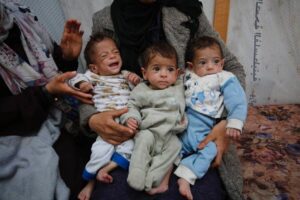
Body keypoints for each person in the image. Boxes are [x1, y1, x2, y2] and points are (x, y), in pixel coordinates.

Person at [79, 0, 245, 199]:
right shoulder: (104, 20)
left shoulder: (187, 10)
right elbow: (91, 78)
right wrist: (92, 118)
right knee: (112, 194)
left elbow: (232, 68)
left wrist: (225, 123)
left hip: (192, 129)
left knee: (201, 193)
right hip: (129, 131)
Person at [0, 1, 92, 200]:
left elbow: (52, 70)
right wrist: (44, 94)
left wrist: (67, 57)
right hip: (18, 134)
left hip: (60, 111)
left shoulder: (19, 14)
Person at [68, 33, 141, 200]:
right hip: (105, 123)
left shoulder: (125, 75)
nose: (112, 56)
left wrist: (137, 80)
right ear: (94, 67)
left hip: (126, 120)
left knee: (132, 147)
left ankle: (106, 170)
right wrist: (83, 84)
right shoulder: (92, 76)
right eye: (105, 55)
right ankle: (90, 182)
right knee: (99, 152)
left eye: (115, 52)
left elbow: (143, 89)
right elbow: (73, 78)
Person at [174, 36, 248, 200]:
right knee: (168, 149)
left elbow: (237, 100)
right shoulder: (186, 76)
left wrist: (234, 122)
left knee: (210, 151)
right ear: (191, 66)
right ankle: (160, 172)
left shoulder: (224, 77)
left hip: (204, 130)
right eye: (203, 63)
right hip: (182, 126)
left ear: (222, 63)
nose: (210, 67)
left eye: (215, 61)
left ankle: (186, 176)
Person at [120, 42, 187, 195]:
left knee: (175, 147)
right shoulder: (142, 90)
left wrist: (183, 120)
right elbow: (132, 105)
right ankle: (137, 172)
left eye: (170, 70)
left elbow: (185, 105)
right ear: (145, 73)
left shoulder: (178, 87)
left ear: (176, 73)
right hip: (149, 130)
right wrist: (131, 117)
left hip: (170, 133)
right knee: (142, 142)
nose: (164, 74)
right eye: (157, 69)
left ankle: (154, 176)